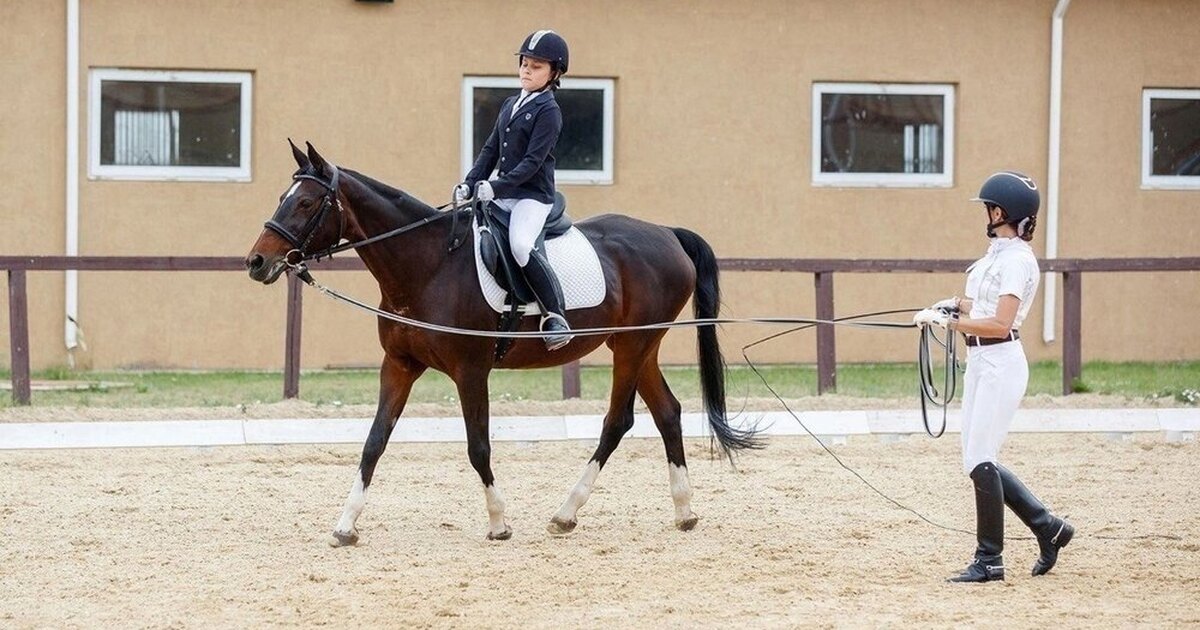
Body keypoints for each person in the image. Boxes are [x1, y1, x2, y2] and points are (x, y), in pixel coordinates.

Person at [912, 171, 1074, 583]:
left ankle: (990, 560)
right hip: (981, 363)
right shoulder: (995, 256)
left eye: (989, 207)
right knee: (976, 458)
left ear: (1000, 211)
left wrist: (948, 326)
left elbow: (1002, 323)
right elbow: (982, 305)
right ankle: (1048, 527)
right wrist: (952, 306)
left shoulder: (1018, 260)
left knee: (981, 457)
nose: (986, 213)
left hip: (1002, 363)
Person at [456, 29, 572, 351]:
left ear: (554, 73)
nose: (526, 70)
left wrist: (494, 187)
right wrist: (470, 182)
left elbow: (533, 163)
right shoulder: (510, 103)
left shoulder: (549, 111)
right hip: (504, 192)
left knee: (521, 245)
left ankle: (555, 316)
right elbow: (490, 150)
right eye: (524, 63)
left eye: (536, 66)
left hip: (533, 197)